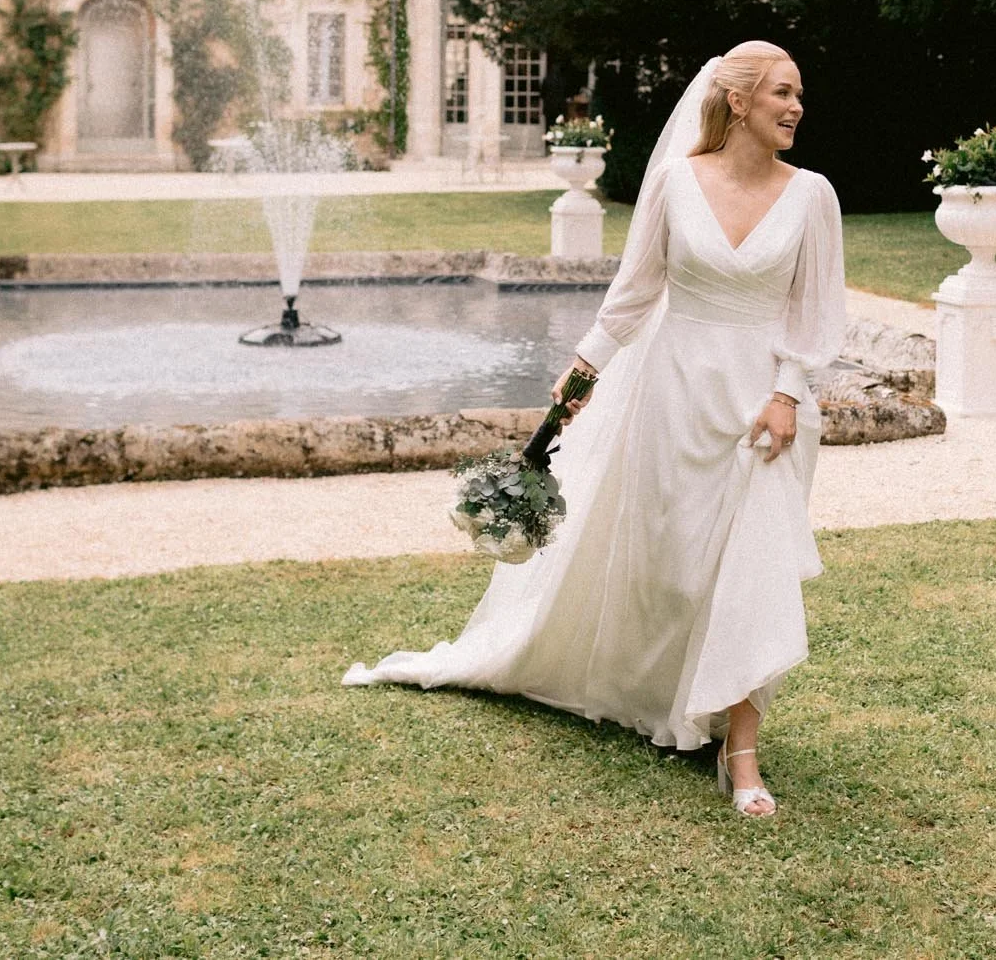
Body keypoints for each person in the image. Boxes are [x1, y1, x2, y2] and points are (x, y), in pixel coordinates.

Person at [345, 41, 845, 818]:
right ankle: (673, 696)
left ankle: (741, 753)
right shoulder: (678, 182)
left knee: (754, 563)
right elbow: (636, 289)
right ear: (739, 101)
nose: (796, 107)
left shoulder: (811, 194)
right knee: (676, 566)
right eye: (782, 92)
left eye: (800, 94)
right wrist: (584, 370)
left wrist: (787, 390)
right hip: (676, 391)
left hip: (763, 408)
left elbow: (815, 314)